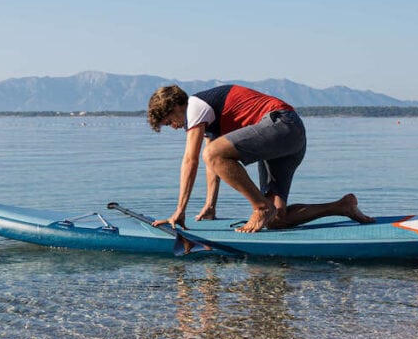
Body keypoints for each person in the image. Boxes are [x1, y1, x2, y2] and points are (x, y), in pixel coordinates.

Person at [147, 84, 375, 233]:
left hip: (283, 124)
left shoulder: (195, 106)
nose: (174, 127)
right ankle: (343, 206)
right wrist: (209, 206)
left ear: (177, 106)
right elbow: (212, 165)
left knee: (213, 154)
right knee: (277, 219)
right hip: (288, 139)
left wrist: (179, 211)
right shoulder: (209, 120)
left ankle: (260, 207)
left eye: (170, 122)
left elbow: (191, 160)